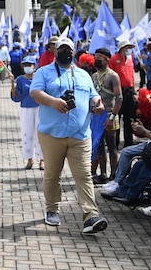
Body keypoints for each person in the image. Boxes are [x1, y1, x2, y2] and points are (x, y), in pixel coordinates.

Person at [30, 36, 108, 235]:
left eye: (68, 49)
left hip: (80, 135)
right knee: (52, 174)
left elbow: (93, 95)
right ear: (55, 52)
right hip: (52, 134)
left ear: (74, 52)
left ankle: (91, 216)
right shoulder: (43, 72)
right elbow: (35, 93)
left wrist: (98, 103)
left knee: (84, 175)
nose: (65, 52)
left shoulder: (83, 75)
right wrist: (53, 101)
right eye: (61, 49)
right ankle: (52, 208)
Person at [90, 48, 122, 183]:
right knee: (99, 146)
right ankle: (102, 174)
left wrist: (112, 117)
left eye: (100, 57)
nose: (96, 59)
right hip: (97, 116)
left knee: (112, 146)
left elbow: (119, 98)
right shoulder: (93, 76)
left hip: (110, 115)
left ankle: (113, 175)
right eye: (95, 56)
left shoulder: (113, 76)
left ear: (107, 59)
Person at [10, 55, 44, 170]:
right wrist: (12, 84)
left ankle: (42, 159)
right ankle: (29, 159)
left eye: (29, 64)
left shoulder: (39, 77)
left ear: (34, 66)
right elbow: (16, 97)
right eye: (25, 65)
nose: (27, 67)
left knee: (40, 134)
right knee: (27, 133)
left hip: (40, 108)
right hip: (26, 109)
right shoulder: (20, 79)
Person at [108, 40, 137, 146]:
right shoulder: (114, 59)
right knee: (117, 117)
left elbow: (132, 76)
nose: (129, 50)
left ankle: (128, 142)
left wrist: (134, 91)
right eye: (127, 47)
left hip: (129, 91)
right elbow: (109, 75)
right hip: (118, 91)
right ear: (122, 48)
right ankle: (115, 143)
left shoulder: (129, 60)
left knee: (129, 117)